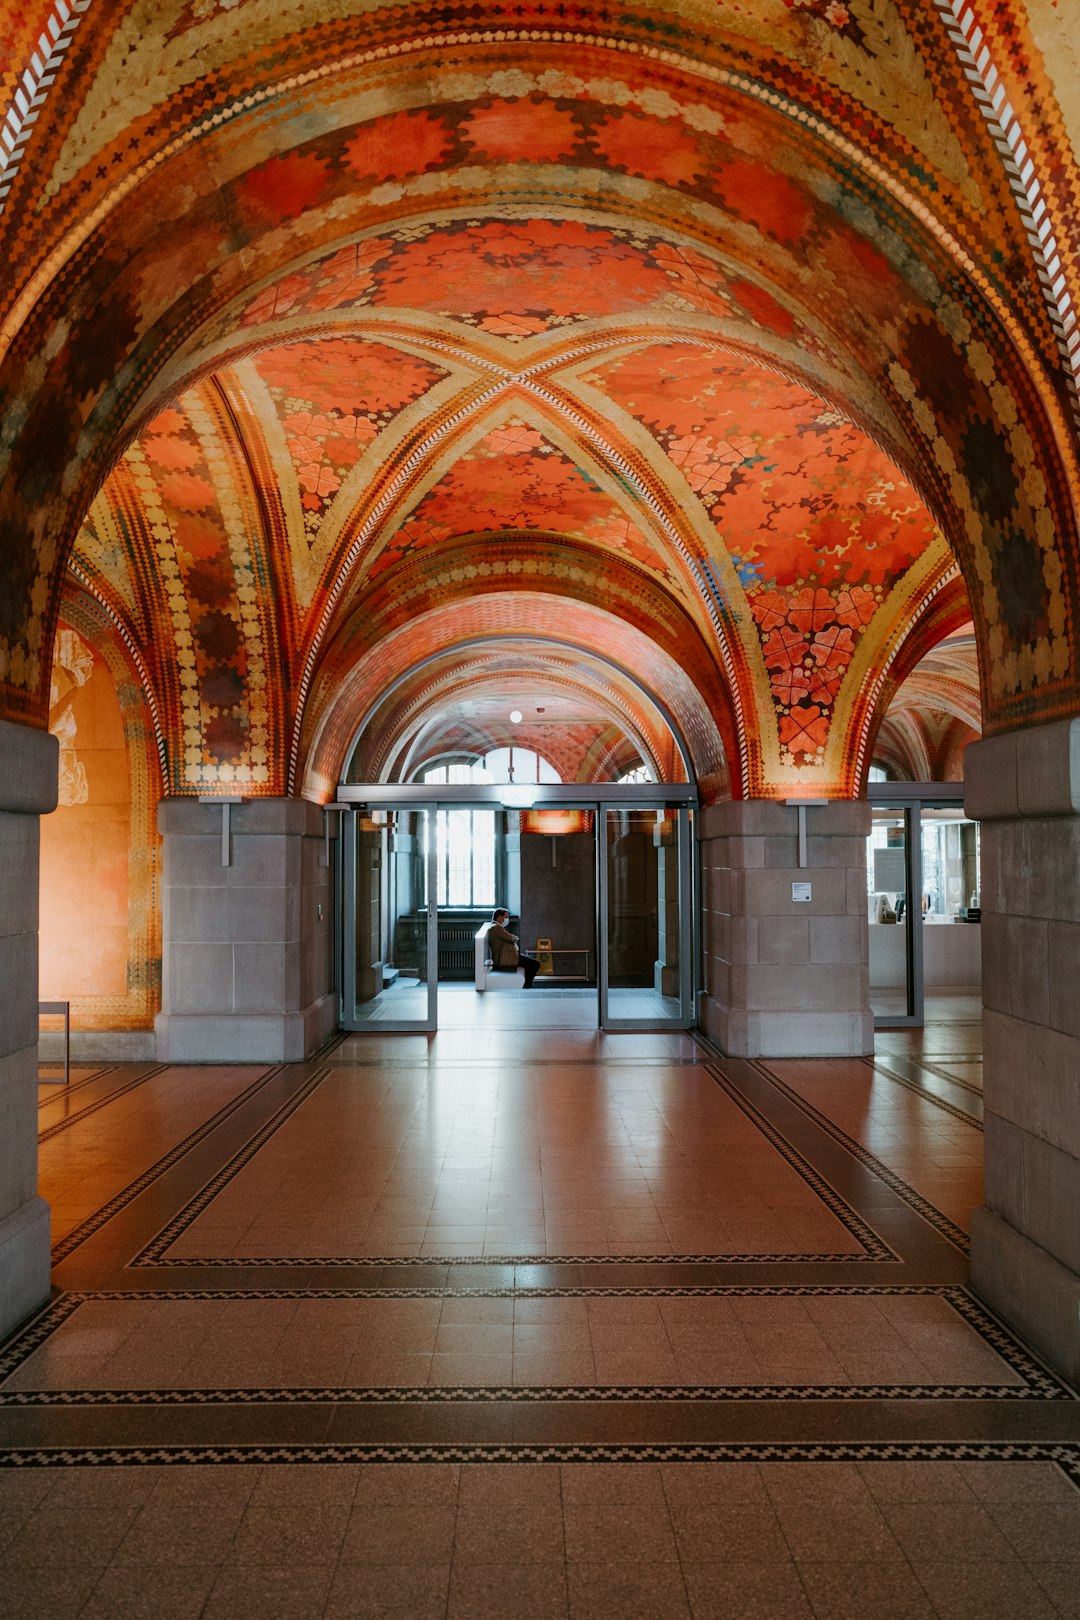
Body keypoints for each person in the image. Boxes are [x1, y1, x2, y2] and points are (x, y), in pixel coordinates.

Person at [487, 908, 540, 988]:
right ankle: (527, 985)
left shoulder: (497, 927)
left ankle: (527, 984)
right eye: (506, 917)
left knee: (530, 961)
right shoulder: (495, 928)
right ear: (499, 917)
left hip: (509, 956)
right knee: (535, 964)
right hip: (507, 959)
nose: (507, 919)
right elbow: (511, 938)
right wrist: (515, 938)